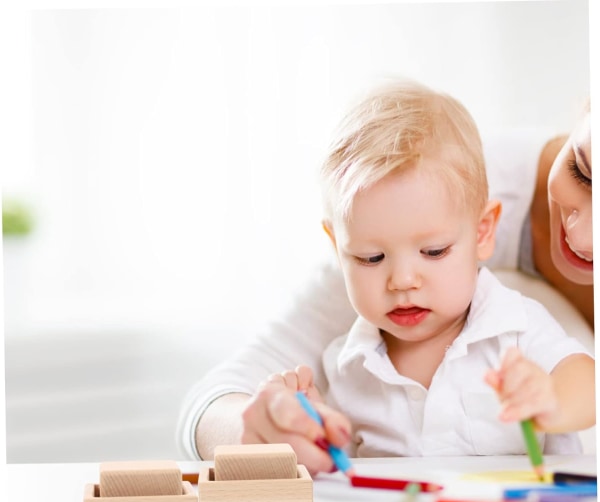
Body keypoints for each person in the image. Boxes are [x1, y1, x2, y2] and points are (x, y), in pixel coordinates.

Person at [177, 80, 594, 468]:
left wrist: (552, 399)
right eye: (370, 258)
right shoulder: (346, 362)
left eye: (433, 252)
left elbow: (584, 380)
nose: (402, 280)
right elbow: (222, 397)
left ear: (483, 230)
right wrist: (292, 428)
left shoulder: (512, 323)